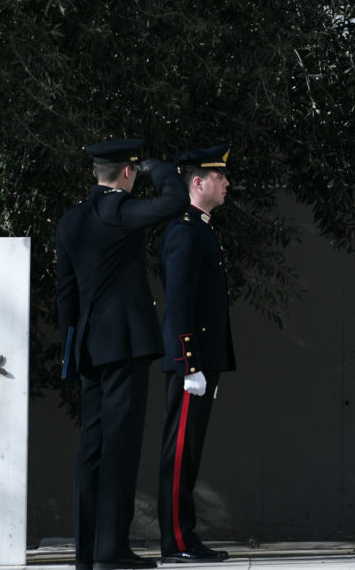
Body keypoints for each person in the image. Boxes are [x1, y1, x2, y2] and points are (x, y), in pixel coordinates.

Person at [56, 138, 187, 570]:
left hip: (91, 346)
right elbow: (175, 201)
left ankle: (87, 551)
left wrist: (72, 348)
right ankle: (111, 549)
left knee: (90, 447)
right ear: (127, 173)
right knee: (121, 446)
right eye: (134, 170)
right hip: (126, 346)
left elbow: (66, 294)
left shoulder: (71, 220)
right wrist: (160, 167)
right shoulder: (121, 211)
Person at [157, 144, 236, 563]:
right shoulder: (186, 231)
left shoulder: (199, 229)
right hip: (192, 364)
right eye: (219, 177)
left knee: (190, 453)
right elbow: (179, 304)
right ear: (198, 182)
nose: (226, 183)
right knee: (179, 452)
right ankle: (178, 541)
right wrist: (191, 364)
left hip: (203, 364)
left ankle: (184, 537)